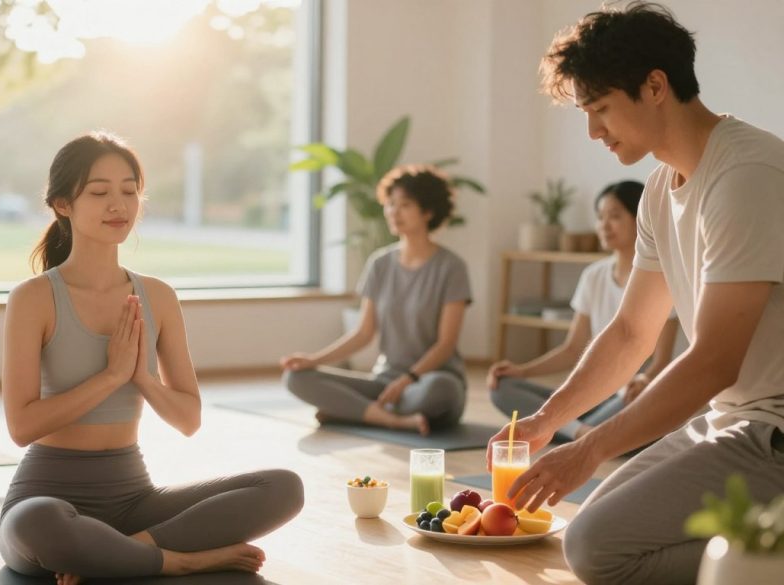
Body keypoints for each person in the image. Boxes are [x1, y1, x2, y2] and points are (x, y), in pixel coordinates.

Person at [486, 3, 784, 584]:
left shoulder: (746, 175)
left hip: (774, 433)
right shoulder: (657, 189)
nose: (594, 131)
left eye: (600, 109)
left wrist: (590, 447)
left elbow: (714, 361)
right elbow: (630, 333)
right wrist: (548, 421)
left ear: (654, 86)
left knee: (599, 549)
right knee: (588, 529)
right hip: (730, 422)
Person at [0, 131, 304, 584]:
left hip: (133, 502)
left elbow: (188, 419)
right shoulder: (34, 299)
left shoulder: (157, 296)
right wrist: (110, 376)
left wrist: (142, 377)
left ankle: (124, 552)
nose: (118, 205)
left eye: (129, 190)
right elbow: (21, 427)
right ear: (63, 205)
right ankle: (180, 560)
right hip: (48, 496)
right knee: (35, 522)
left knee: (283, 487)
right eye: (99, 192)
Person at [281, 164, 472, 436]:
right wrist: (313, 360)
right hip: (384, 382)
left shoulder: (452, 267)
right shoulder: (380, 264)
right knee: (295, 378)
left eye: (404, 205)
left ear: (428, 212)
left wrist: (408, 379)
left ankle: (354, 412)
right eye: (390, 204)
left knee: (441, 392)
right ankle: (389, 419)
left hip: (430, 381)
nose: (394, 212)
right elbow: (363, 333)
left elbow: (446, 344)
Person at [488, 180, 682, 441]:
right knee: (502, 388)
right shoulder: (593, 276)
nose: (604, 224)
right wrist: (522, 371)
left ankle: (570, 431)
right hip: (592, 395)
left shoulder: (663, 277)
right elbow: (572, 350)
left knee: (632, 399)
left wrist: (645, 380)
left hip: (633, 396)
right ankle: (583, 434)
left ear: (641, 218)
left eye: (614, 216)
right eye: (600, 217)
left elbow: (662, 361)